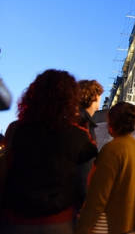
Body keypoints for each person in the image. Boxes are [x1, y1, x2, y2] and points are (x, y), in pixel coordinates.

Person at [0, 69, 97, 233]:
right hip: (58, 221)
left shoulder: (16, 129)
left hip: (14, 219)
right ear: (71, 99)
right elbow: (83, 185)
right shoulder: (79, 136)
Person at [76, 102, 135, 234]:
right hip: (133, 224)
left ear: (112, 122)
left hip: (108, 224)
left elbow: (99, 195)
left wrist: (83, 227)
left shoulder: (111, 149)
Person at [75, 79, 103, 209]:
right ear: (92, 98)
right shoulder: (83, 124)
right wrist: (85, 199)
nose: (98, 106)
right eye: (98, 100)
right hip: (75, 201)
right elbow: (84, 167)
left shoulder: (73, 119)